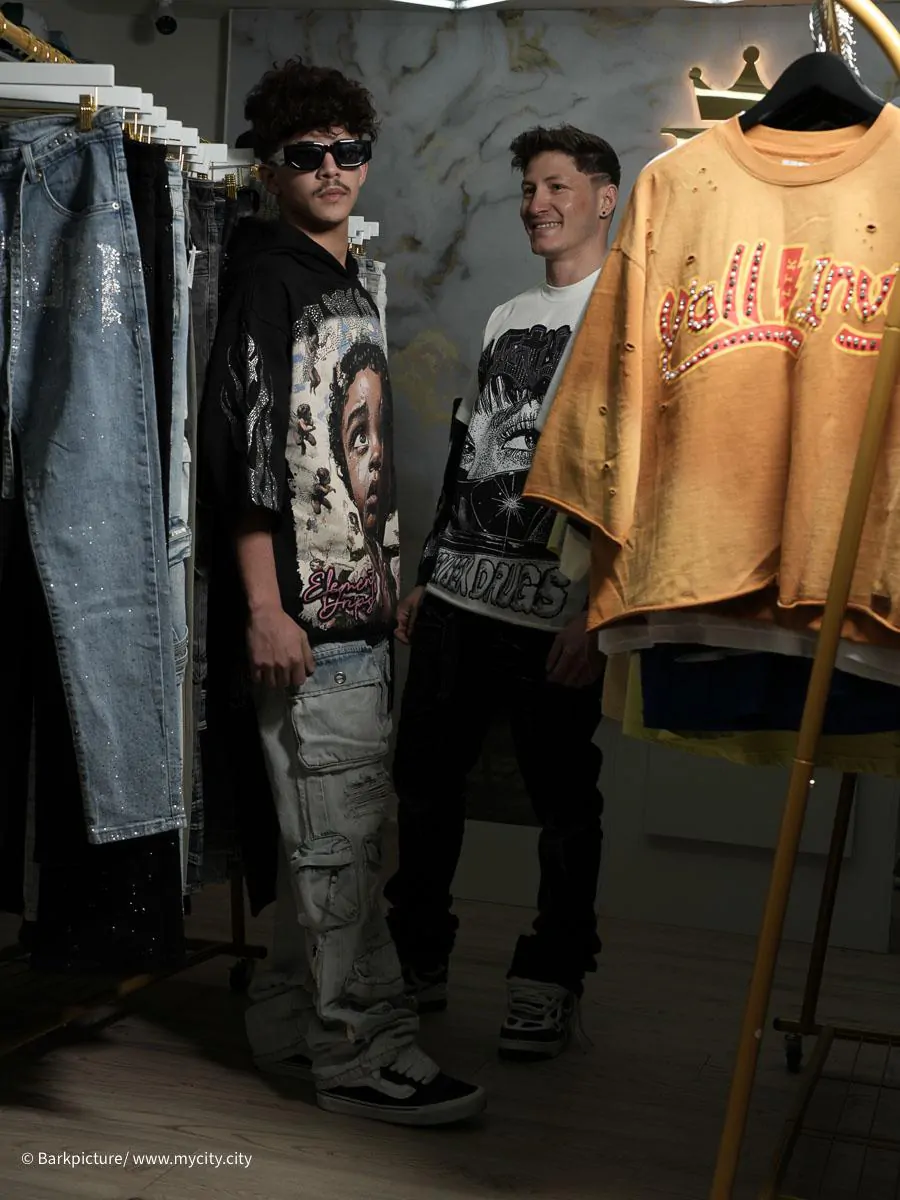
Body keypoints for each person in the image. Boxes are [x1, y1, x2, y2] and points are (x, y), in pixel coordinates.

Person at [201, 57, 485, 1126]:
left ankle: (288, 1018)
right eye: (307, 153)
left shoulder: (343, 281)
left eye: (348, 150)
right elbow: (247, 459)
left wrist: (388, 579)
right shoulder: (269, 279)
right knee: (346, 849)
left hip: (353, 614)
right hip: (308, 623)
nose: (332, 168)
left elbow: (344, 466)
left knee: (328, 838)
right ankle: (363, 1052)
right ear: (271, 169)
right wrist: (266, 608)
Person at [385, 125, 620, 1061]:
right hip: (459, 597)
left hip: (552, 612)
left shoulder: (629, 312)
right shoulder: (507, 315)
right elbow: (471, 451)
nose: (537, 204)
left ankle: (551, 978)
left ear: (605, 197)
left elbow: (634, 477)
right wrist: (429, 572)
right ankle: (416, 956)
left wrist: (597, 613)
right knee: (424, 789)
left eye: (556, 186)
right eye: (528, 189)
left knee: (563, 804)